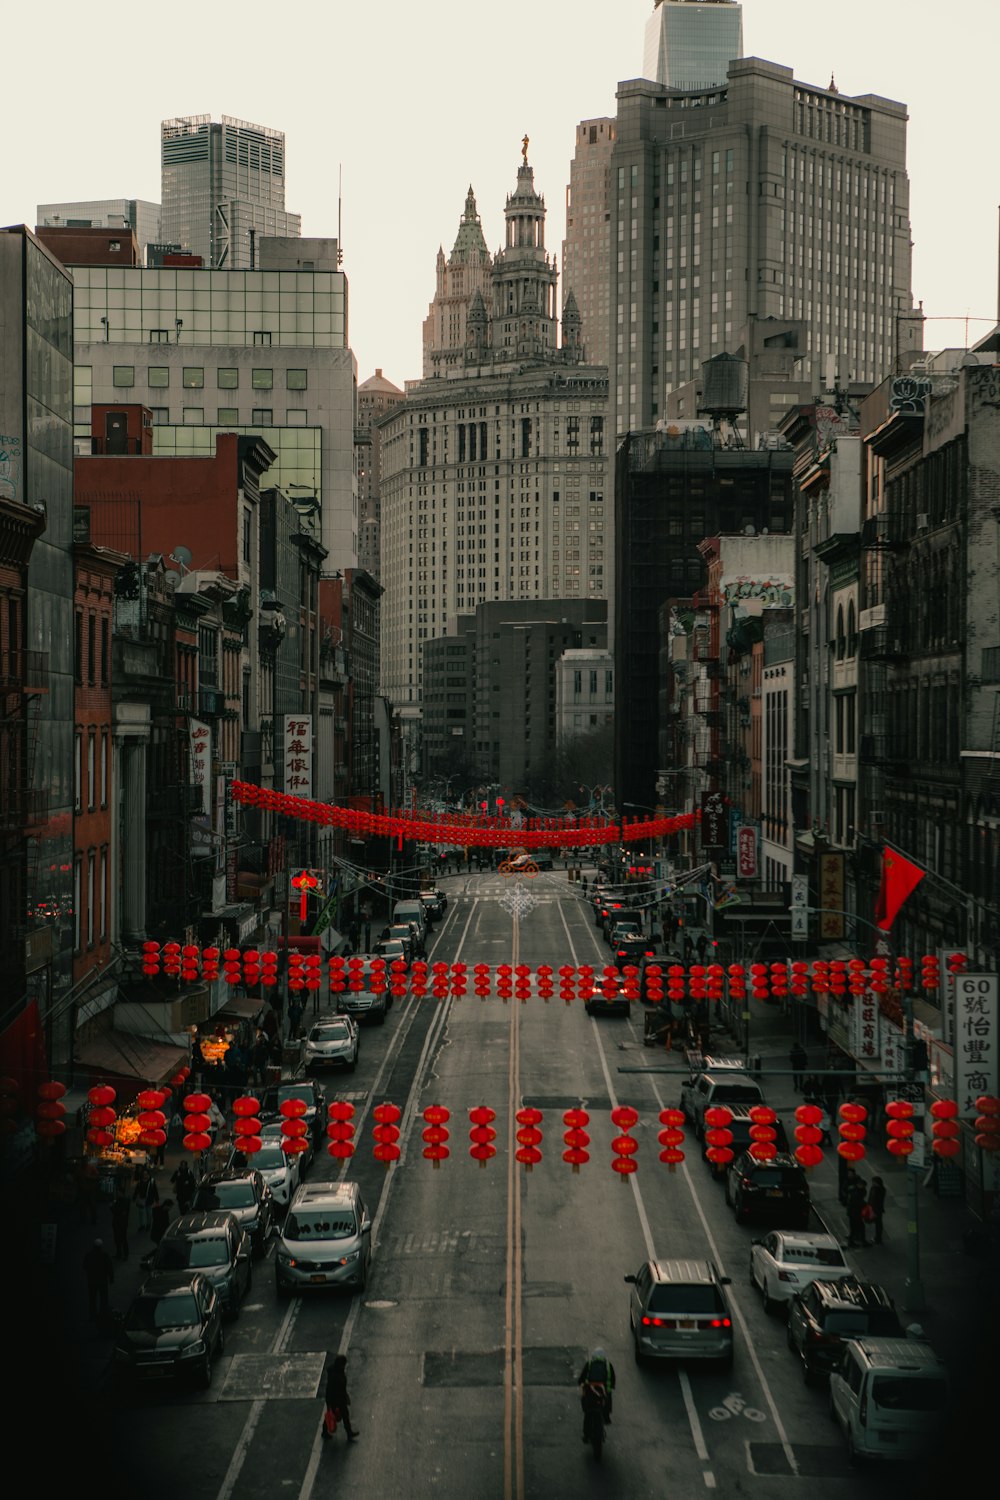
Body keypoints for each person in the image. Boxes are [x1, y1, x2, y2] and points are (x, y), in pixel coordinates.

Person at [576, 1347, 616, 1439]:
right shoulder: (608, 1365)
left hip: (590, 1394)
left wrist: (582, 1383)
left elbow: (581, 1379)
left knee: (587, 1414)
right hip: (603, 1393)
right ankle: (606, 1417)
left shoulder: (589, 1364)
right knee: (607, 1401)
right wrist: (610, 1387)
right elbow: (613, 1380)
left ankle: (586, 1435)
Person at [322, 1353, 359, 1441]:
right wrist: (329, 1404)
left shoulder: (338, 1371)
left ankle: (348, 1432)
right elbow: (330, 1390)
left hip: (340, 1399)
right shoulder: (335, 1376)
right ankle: (325, 1431)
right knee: (333, 1414)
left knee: (344, 1415)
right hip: (335, 1400)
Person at [83, 1238, 114, 1321]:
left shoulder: (89, 1255)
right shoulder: (105, 1255)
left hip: (92, 1281)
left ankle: (92, 1315)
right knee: (103, 1298)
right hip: (102, 1281)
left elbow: (84, 1266)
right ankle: (102, 1315)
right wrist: (111, 1278)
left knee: (92, 1299)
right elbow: (109, 1268)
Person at [845, 1173, 869, 1248]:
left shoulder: (854, 1190)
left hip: (852, 1212)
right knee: (859, 1227)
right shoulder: (857, 1192)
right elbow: (857, 1202)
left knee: (854, 1227)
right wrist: (864, 1204)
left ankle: (853, 1241)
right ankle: (860, 1241)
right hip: (855, 1213)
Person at [133, 1167, 158, 1231]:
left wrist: (156, 1199)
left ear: (148, 1174)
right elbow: (137, 1190)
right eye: (144, 1174)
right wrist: (134, 1197)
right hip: (142, 1199)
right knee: (141, 1213)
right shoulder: (140, 1181)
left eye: (146, 1174)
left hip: (149, 1200)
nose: (145, 1176)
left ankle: (148, 1224)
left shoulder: (151, 1181)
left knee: (149, 1213)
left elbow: (155, 1191)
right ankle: (142, 1225)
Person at [110, 1188, 130, 1261]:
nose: (117, 1194)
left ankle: (124, 1254)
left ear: (121, 1193)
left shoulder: (124, 1201)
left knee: (122, 1239)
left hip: (121, 1223)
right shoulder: (120, 1200)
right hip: (118, 1222)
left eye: (118, 1193)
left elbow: (117, 1211)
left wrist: (112, 1207)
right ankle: (119, 1254)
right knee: (117, 1239)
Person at [867, 1175, 887, 1245]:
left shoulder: (880, 1190)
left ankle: (878, 1238)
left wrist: (874, 1211)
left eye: (874, 1182)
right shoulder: (874, 1188)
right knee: (877, 1223)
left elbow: (878, 1201)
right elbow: (870, 1198)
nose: (873, 1183)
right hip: (872, 1208)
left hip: (877, 1209)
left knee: (878, 1224)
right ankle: (877, 1237)